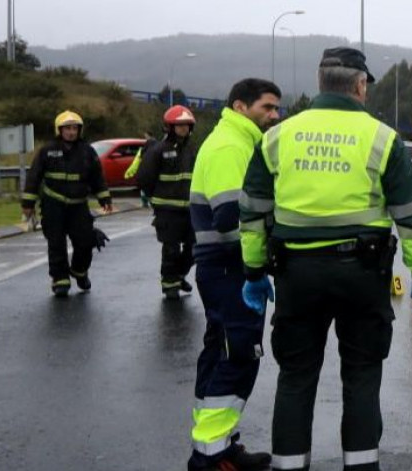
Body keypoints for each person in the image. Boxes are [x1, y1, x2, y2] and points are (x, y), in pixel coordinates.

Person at [239, 47, 412, 471]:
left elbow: (252, 210)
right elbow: (411, 216)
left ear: (320, 80)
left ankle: (290, 467)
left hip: (296, 274)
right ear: (360, 85)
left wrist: (254, 272)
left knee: (295, 377)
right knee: (362, 376)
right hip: (362, 275)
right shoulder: (381, 138)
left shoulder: (277, 137)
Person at [187, 78, 281, 471]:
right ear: (241, 107)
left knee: (221, 351)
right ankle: (211, 455)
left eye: (277, 108)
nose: (275, 115)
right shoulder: (230, 145)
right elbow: (229, 217)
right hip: (228, 265)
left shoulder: (238, 140)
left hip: (223, 267)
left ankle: (217, 446)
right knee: (238, 353)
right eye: (267, 108)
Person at [22, 110, 112, 298]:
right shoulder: (47, 151)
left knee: (85, 242)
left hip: (78, 206)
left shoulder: (87, 151)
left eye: (74, 128)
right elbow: (33, 177)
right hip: (53, 205)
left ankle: (79, 271)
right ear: (59, 130)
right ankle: (60, 279)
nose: (71, 132)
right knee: (56, 244)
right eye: (67, 129)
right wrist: (28, 203)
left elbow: (97, 177)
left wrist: (104, 198)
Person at [136, 106, 198, 299]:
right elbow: (144, 178)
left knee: (194, 248)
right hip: (167, 210)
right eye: (179, 125)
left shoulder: (192, 151)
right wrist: (155, 199)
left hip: (190, 210)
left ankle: (179, 275)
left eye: (186, 125)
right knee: (170, 249)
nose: (183, 129)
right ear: (170, 127)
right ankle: (169, 284)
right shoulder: (158, 150)